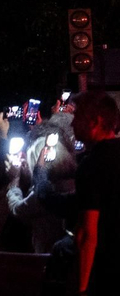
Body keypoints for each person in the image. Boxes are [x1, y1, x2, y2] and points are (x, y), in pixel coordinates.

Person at [73, 90, 120, 296]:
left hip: (108, 267)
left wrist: (81, 288)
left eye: (76, 117)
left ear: (95, 121)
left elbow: (88, 233)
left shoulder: (92, 164)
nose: (72, 123)